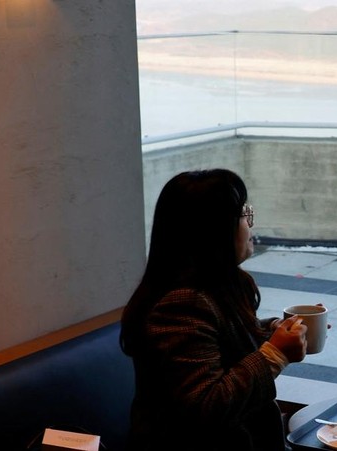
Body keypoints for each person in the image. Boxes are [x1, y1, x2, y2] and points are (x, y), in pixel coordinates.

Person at [120, 169, 307, 451]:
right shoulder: (180, 304)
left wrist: (273, 330)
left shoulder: (224, 282)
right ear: (215, 230)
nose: (250, 224)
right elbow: (205, 406)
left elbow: (223, 340)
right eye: (244, 215)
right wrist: (276, 354)